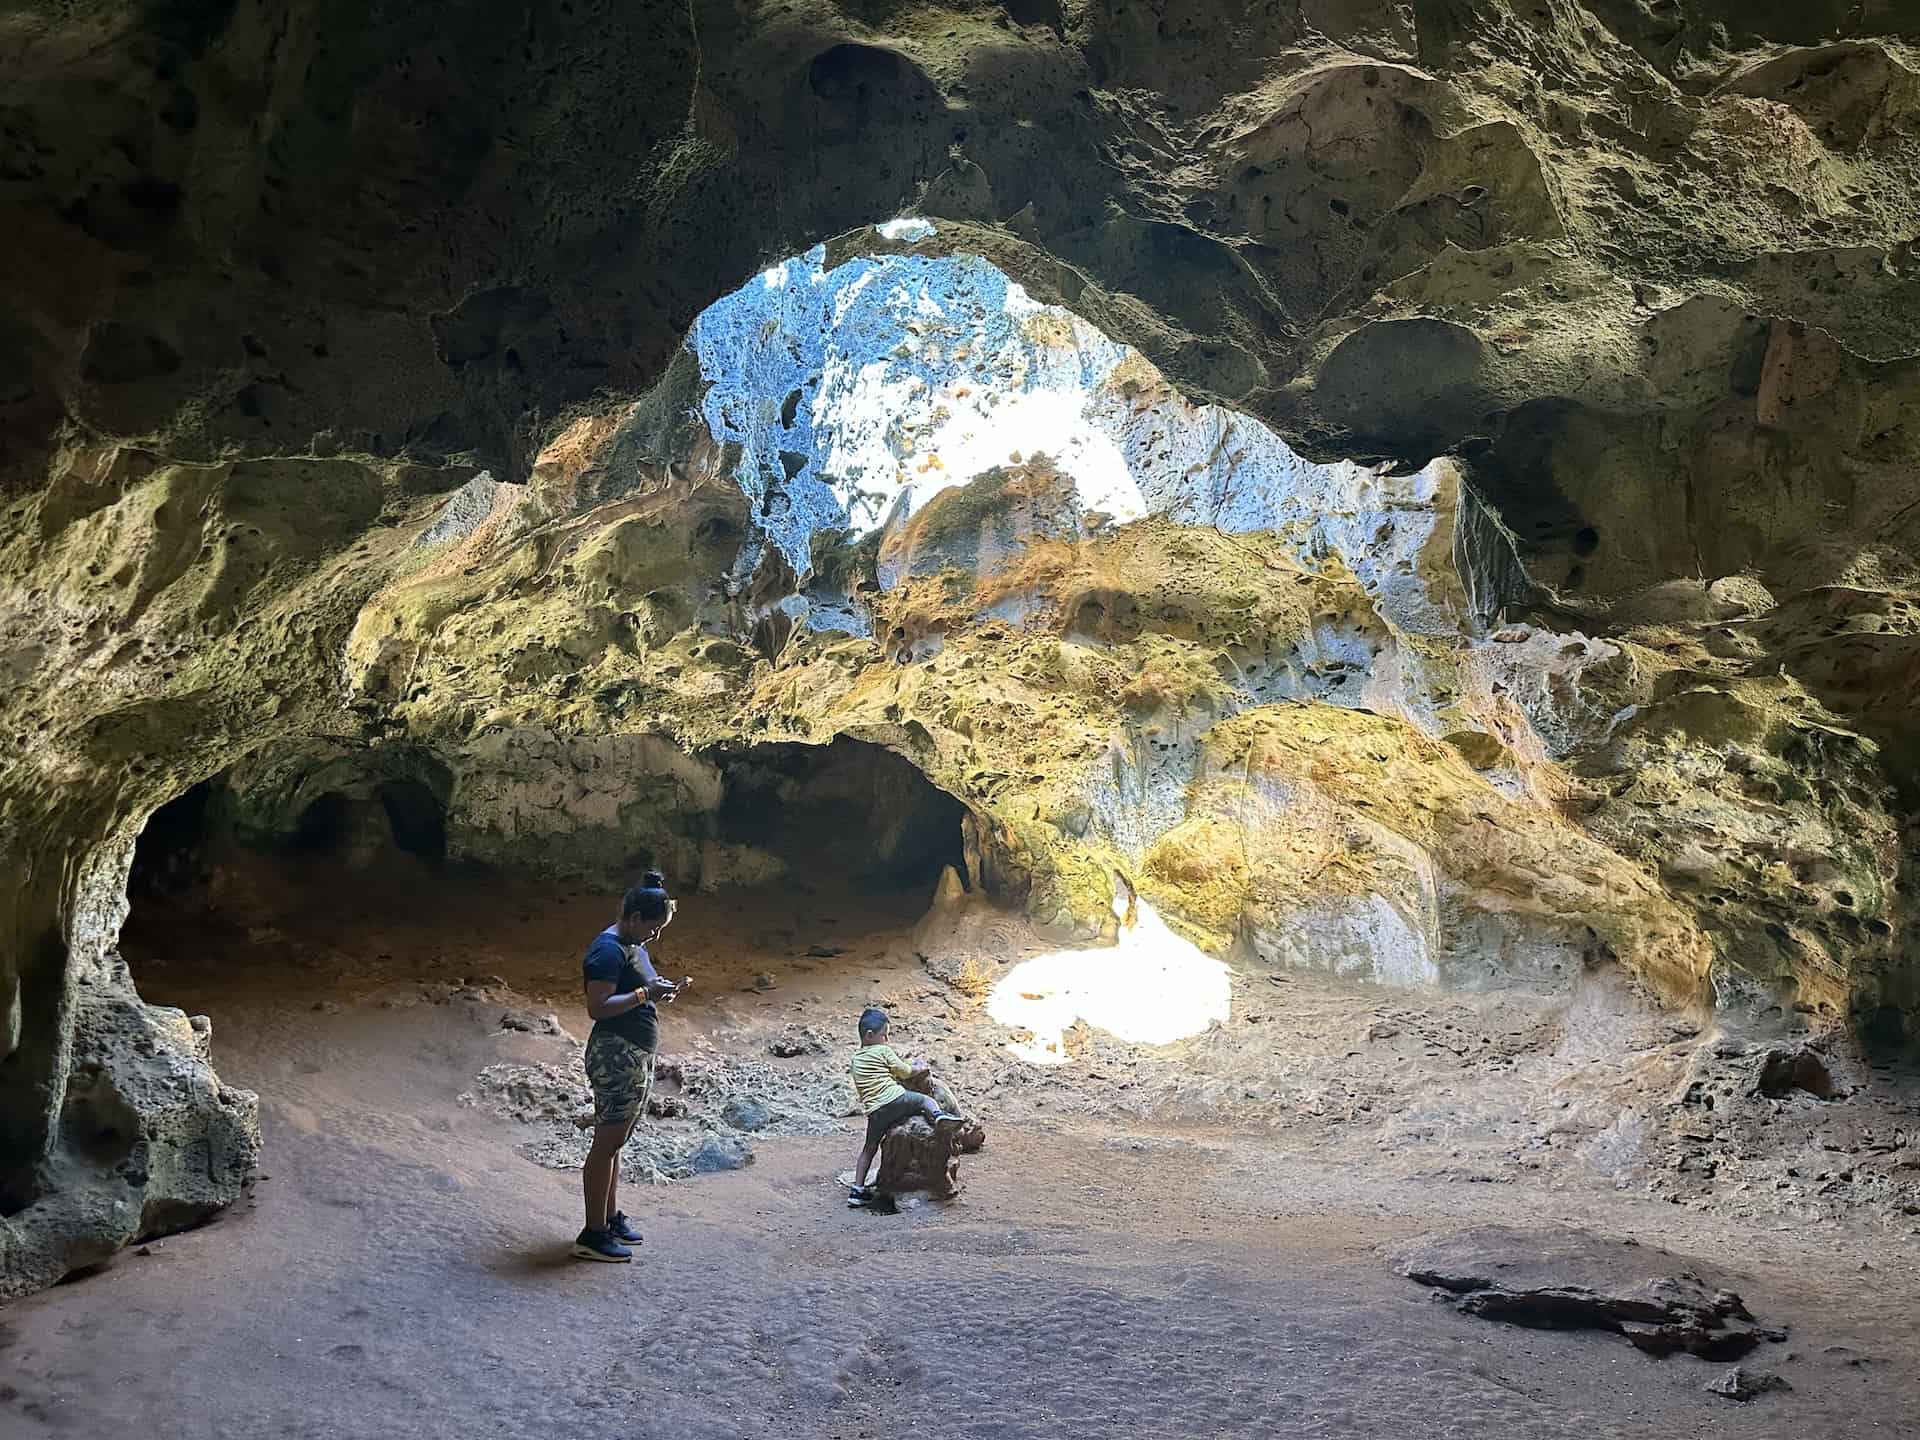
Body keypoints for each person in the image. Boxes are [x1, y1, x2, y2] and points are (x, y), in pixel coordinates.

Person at [573, 875, 686, 1262]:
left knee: (615, 1141)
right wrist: (644, 994)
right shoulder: (607, 950)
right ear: (635, 917)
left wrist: (659, 991)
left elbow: (641, 987)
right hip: (615, 1055)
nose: (655, 935)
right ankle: (592, 1233)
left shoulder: (632, 944)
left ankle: (609, 1217)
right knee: (606, 1144)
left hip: (633, 1053)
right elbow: (598, 1007)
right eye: (654, 927)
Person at [845, 1006, 961, 1208]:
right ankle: (938, 1116)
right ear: (871, 1035)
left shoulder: (855, 1060)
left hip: (875, 1112)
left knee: (869, 1148)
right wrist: (916, 1069)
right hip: (895, 1099)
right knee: (923, 1101)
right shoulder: (883, 1051)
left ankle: (857, 1190)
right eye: (884, 1035)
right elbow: (904, 1071)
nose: (886, 1040)